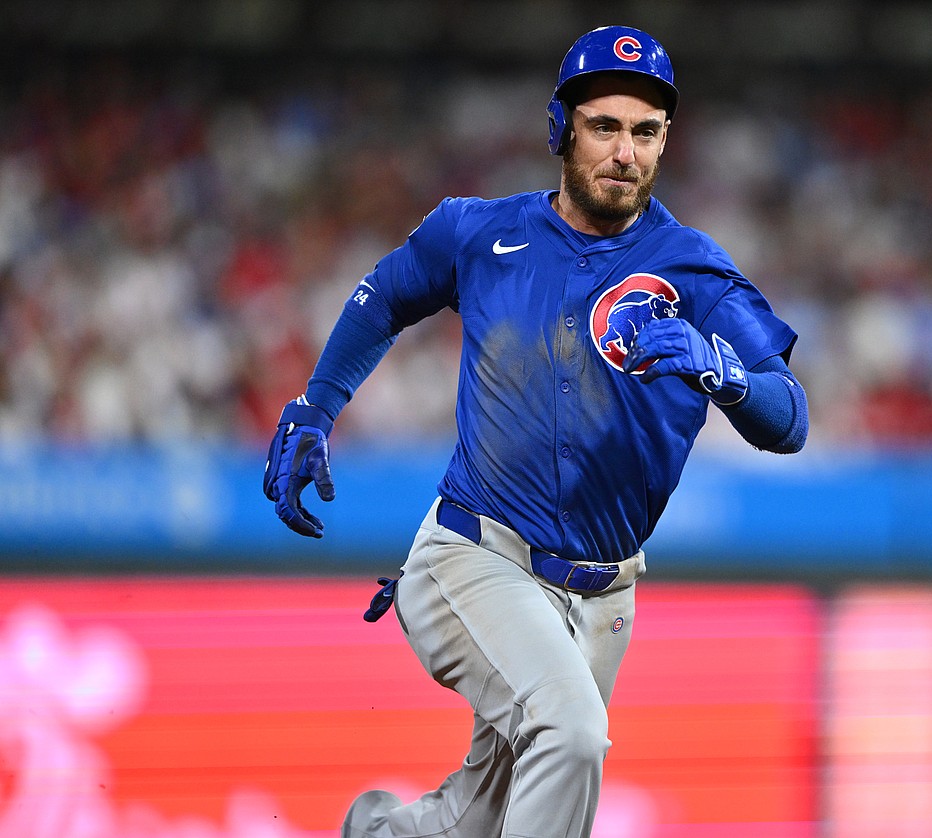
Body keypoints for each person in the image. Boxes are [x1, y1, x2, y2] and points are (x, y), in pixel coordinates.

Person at [263, 24, 808, 838]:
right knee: (572, 733)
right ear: (560, 129)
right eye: (605, 126)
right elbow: (385, 295)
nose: (625, 151)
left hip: (604, 594)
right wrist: (316, 404)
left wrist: (719, 368)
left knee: (487, 812)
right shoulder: (480, 233)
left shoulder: (694, 270)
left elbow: (788, 418)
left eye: (645, 131)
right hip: (475, 556)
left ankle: (385, 831)